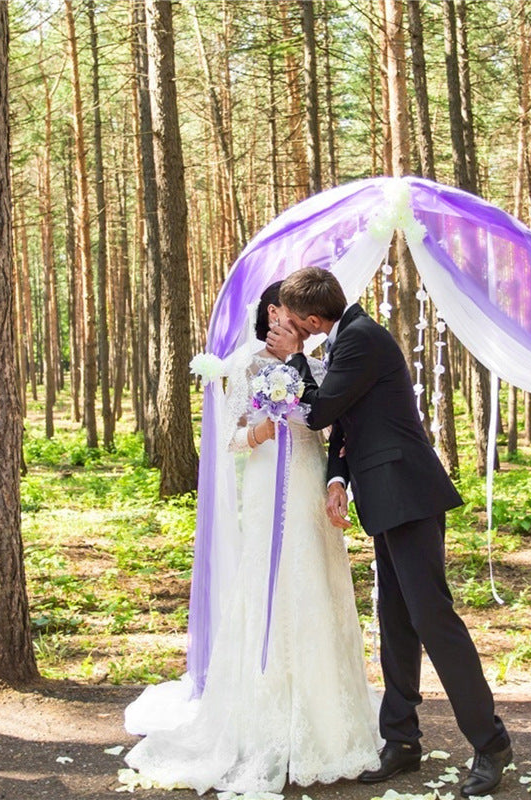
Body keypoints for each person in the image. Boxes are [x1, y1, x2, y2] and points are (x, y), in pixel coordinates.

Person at [123, 281, 381, 795]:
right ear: (273, 312)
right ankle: (261, 720)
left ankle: (327, 727)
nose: (304, 323)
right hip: (266, 484)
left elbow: (332, 425)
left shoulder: (316, 362)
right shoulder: (244, 364)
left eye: (307, 317)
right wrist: (258, 433)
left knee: (315, 585)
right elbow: (229, 436)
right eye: (293, 313)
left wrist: (333, 472)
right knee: (269, 584)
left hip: (308, 477)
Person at [266, 267, 513, 799]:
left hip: (410, 492)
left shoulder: (359, 340)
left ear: (311, 319)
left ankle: (491, 743)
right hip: (385, 495)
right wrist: (338, 477)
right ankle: (401, 740)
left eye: (294, 322)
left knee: (432, 618)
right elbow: (349, 422)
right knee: (396, 620)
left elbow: (319, 411)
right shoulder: (347, 337)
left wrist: (293, 361)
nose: (290, 328)